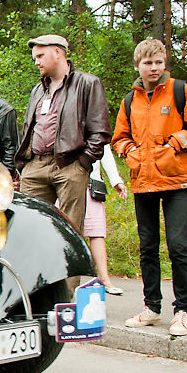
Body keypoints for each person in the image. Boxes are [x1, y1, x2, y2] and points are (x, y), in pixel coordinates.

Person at [112, 38, 187, 337]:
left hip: (176, 181)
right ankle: (152, 308)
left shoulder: (180, 91)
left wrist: (176, 143)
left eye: (158, 62)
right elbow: (119, 137)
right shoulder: (130, 101)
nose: (154, 67)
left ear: (164, 63)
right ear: (138, 66)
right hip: (143, 182)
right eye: (148, 63)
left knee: (178, 246)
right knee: (147, 248)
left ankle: (183, 311)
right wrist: (129, 151)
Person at [14, 34, 111, 237]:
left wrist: (82, 164)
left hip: (70, 165)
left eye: (40, 56)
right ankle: (33, 269)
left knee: (69, 232)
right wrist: (25, 165)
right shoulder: (37, 91)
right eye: (35, 57)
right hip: (35, 167)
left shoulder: (88, 83)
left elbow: (100, 131)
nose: (36, 62)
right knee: (28, 228)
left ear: (58, 52)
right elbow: (29, 128)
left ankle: (69, 271)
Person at [86, 145, 127, 295]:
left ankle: (104, 279)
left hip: (90, 182)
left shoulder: (95, 121)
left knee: (96, 231)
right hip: (62, 178)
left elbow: (105, 151)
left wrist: (116, 180)